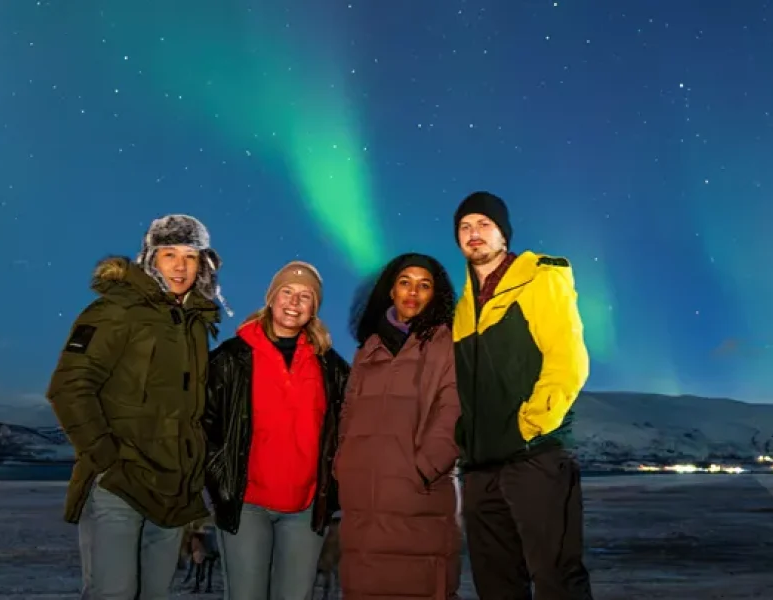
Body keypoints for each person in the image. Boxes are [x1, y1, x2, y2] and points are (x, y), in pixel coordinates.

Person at [47, 214, 228, 600]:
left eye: (191, 256)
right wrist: (107, 457)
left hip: (172, 491)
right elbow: (69, 387)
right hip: (120, 484)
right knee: (113, 592)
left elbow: (189, 410)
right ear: (151, 258)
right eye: (169, 254)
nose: (181, 266)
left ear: (203, 264)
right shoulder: (116, 309)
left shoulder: (195, 322)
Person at [452, 191, 593, 599]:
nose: (474, 234)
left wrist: (529, 425)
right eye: (465, 227)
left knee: (556, 579)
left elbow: (568, 361)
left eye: (484, 225)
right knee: (496, 585)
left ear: (503, 235)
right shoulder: (461, 309)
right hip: (480, 468)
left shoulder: (539, 279)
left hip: (535, 457)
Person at [203, 261, 350, 600]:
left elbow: (347, 428)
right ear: (271, 297)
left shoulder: (330, 365)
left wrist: (335, 487)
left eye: (305, 296)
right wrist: (219, 479)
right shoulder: (231, 358)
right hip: (247, 503)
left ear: (314, 309)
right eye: (287, 292)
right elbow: (205, 423)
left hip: (305, 508)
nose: (294, 302)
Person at [335, 253, 462, 600]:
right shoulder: (369, 349)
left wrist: (423, 469)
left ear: (435, 294)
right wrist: (343, 464)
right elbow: (349, 411)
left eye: (424, 285)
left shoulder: (448, 343)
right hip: (362, 498)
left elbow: (454, 411)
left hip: (418, 498)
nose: (412, 292)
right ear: (390, 290)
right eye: (405, 282)